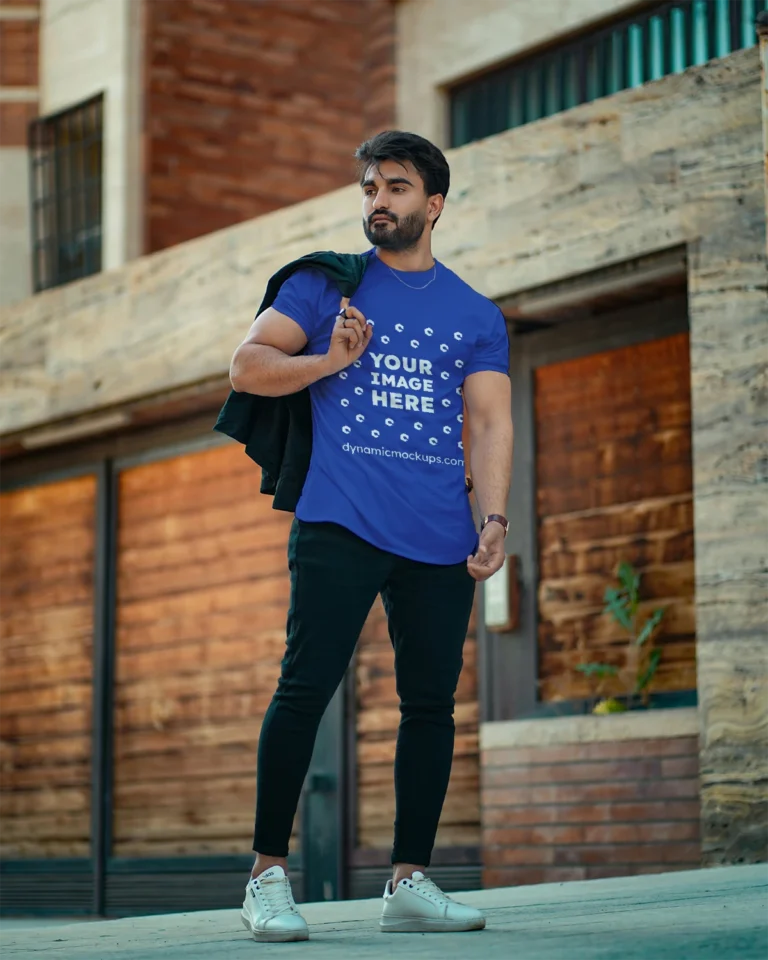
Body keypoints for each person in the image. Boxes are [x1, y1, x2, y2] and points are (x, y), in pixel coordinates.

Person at [230, 131, 513, 942]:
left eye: (395, 186)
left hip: (436, 531)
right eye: (368, 187)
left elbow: (490, 419)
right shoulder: (328, 286)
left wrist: (493, 518)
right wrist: (327, 360)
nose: (376, 201)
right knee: (305, 687)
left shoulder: (474, 314)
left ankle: (409, 882)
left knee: (430, 706)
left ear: (434, 205)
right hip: (340, 517)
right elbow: (246, 366)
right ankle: (266, 877)